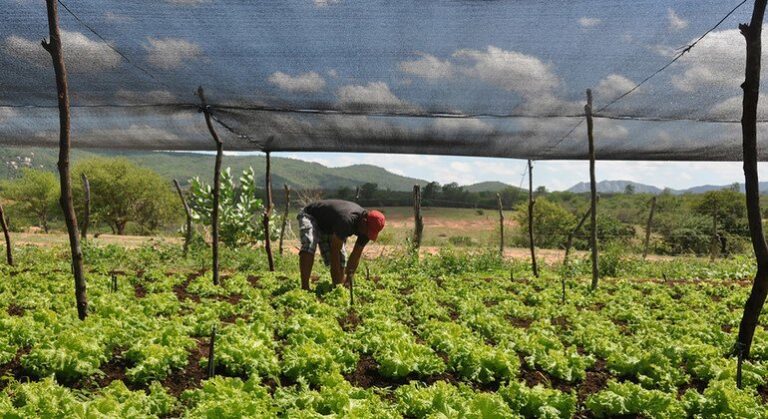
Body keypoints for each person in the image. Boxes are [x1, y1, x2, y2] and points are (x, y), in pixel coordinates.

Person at [297, 199, 385, 290]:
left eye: (370, 233)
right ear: (364, 220)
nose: (367, 234)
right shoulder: (347, 220)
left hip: (329, 226)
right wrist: (337, 282)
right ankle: (305, 288)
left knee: (342, 258)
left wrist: (348, 281)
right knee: (309, 244)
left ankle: (340, 285)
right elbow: (334, 251)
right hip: (311, 215)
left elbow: (356, 254)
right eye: (367, 231)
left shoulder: (367, 230)